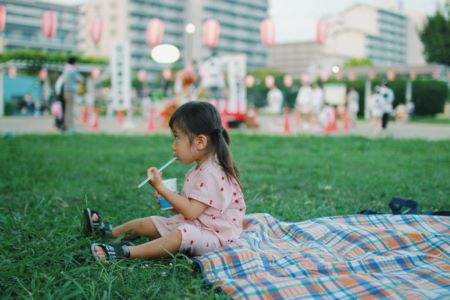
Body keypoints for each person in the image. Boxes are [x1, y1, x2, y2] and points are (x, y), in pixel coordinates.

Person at [84, 101, 246, 262]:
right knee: (150, 222)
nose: (173, 145)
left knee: (181, 235)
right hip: (197, 225)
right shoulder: (199, 170)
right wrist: (168, 201)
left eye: (177, 137)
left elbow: (190, 211)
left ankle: (126, 252)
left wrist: (162, 188)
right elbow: (189, 210)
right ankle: (109, 232)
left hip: (216, 237)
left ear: (200, 142)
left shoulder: (212, 173)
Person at [63, 56, 83, 132]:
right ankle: (70, 128)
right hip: (70, 91)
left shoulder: (66, 69)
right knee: (70, 110)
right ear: (74, 62)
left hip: (67, 91)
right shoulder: (72, 70)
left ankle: (68, 126)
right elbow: (79, 79)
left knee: (68, 110)